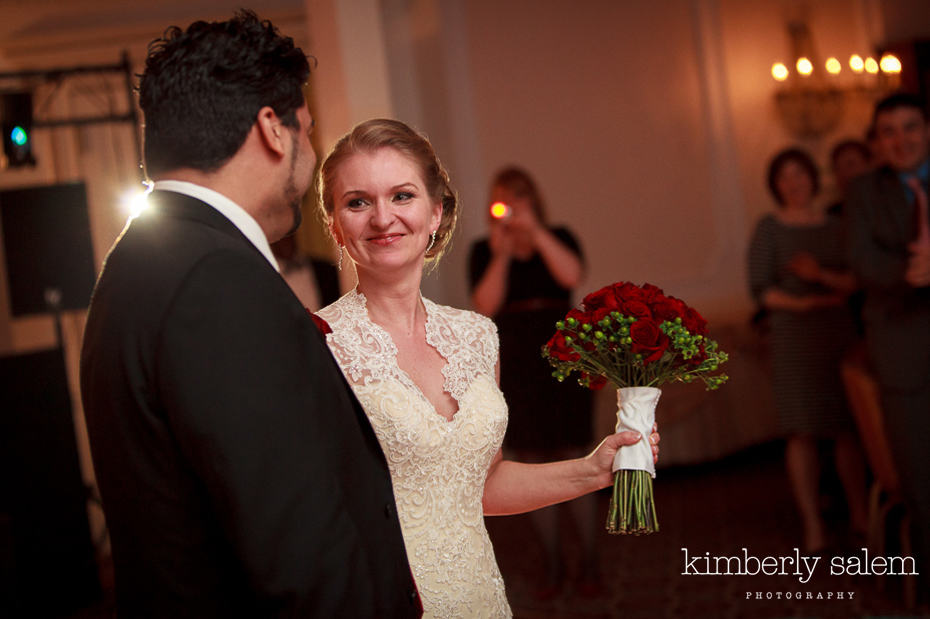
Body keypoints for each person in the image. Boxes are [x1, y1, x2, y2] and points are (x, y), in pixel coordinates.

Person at [79, 13, 419, 617]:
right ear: (273, 129)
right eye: (308, 132)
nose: (310, 155)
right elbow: (299, 552)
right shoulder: (218, 280)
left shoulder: (139, 262)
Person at [314, 119, 659, 618]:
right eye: (358, 202)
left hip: (478, 595)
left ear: (436, 214)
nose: (382, 218)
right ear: (335, 225)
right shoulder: (318, 344)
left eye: (403, 196)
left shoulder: (477, 336)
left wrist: (592, 470)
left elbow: (480, 486)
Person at [468, 167, 599, 598]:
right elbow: (485, 304)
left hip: (565, 361)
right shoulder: (483, 251)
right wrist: (503, 251)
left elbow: (570, 276)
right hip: (519, 370)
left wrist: (536, 232)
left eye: (519, 197)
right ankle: (554, 562)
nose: (512, 205)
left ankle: (591, 564)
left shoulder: (558, 234)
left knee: (576, 456)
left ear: (534, 199)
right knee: (530, 463)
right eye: (504, 198)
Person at [748, 147, 867, 553]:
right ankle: (812, 525)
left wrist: (820, 277)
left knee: (847, 428)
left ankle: (860, 517)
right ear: (775, 185)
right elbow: (761, 291)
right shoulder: (768, 228)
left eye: (800, 174)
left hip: (837, 335)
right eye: (784, 177)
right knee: (801, 431)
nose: (793, 183)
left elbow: (858, 280)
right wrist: (808, 303)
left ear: (813, 178)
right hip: (793, 339)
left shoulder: (836, 225)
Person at [845, 92, 930, 592]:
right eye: (889, 131)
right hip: (902, 353)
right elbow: (863, 264)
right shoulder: (862, 192)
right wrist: (912, 272)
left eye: (911, 127)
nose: (901, 140)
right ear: (878, 141)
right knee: (921, 477)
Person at [270, 234, 340, 311]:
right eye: (279, 239)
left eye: (287, 236)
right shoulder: (268, 278)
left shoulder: (326, 269)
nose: (284, 243)